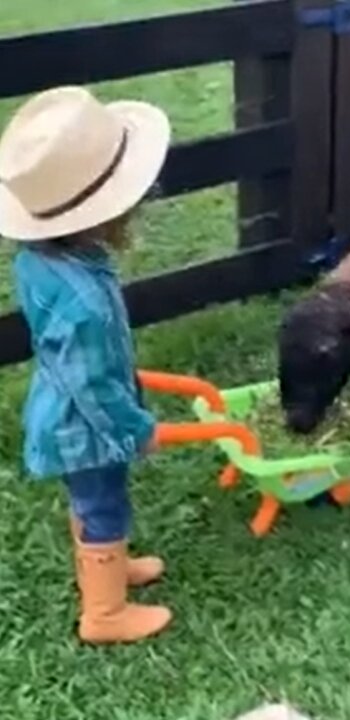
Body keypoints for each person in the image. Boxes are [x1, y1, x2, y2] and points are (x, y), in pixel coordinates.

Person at [0, 86, 173, 643]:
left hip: (66, 415)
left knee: (92, 499)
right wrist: (135, 428)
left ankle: (110, 567)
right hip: (87, 428)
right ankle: (104, 615)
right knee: (104, 504)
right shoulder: (86, 305)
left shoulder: (40, 259)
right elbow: (93, 385)